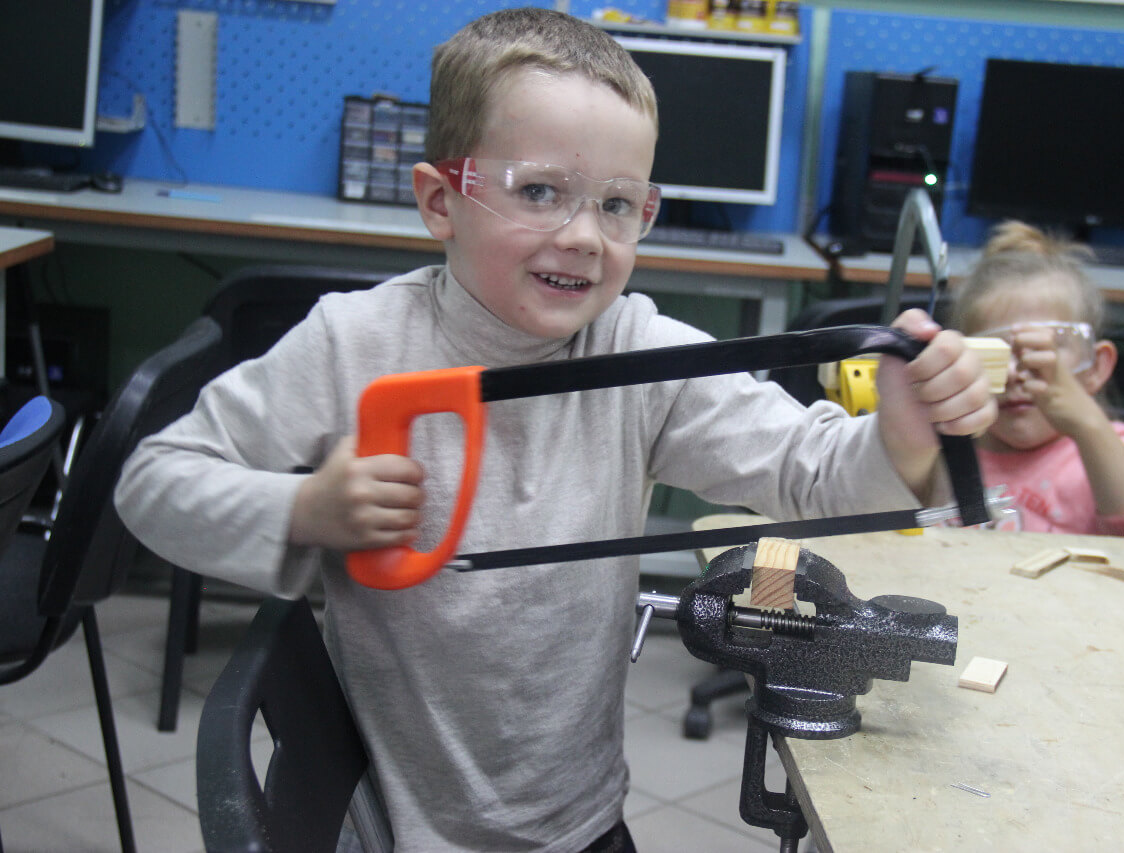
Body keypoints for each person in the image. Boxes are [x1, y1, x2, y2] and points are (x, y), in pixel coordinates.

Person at [115, 8, 994, 851]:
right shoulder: (352, 345)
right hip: (399, 829)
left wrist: (902, 435)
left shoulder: (639, 351)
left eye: (618, 204)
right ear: (441, 200)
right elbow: (152, 483)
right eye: (539, 191)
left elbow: (818, 475)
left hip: (580, 821)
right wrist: (304, 510)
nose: (584, 236)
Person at [949, 220, 1124, 541]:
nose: (1015, 373)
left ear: (1096, 367)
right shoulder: (944, 456)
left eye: (1039, 352)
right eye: (996, 354)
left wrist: (1089, 424)